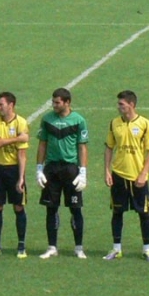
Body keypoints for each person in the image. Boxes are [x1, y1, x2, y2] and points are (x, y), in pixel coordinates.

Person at [103, 90, 149, 262]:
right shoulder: (114, 123)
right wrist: (107, 170)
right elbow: (109, 147)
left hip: (138, 177)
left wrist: (144, 173)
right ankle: (116, 248)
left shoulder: (145, 124)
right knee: (117, 211)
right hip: (119, 174)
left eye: (121, 104)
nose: (118, 107)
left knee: (144, 213)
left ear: (131, 105)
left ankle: (146, 249)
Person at [36, 88, 89, 259]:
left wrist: (83, 172)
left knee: (75, 209)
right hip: (51, 169)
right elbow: (42, 144)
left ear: (67, 102)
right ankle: (52, 247)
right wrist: (39, 168)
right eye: (53, 102)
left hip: (70, 169)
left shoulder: (78, 120)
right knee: (51, 208)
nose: (54, 105)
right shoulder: (47, 119)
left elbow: (82, 147)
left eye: (57, 102)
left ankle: (79, 247)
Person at [0, 92, 29, 258]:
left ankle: (21, 246)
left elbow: (22, 154)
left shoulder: (21, 122)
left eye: (0, 104)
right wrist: (18, 138)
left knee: (19, 207)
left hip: (14, 170)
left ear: (11, 105)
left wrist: (21, 177)